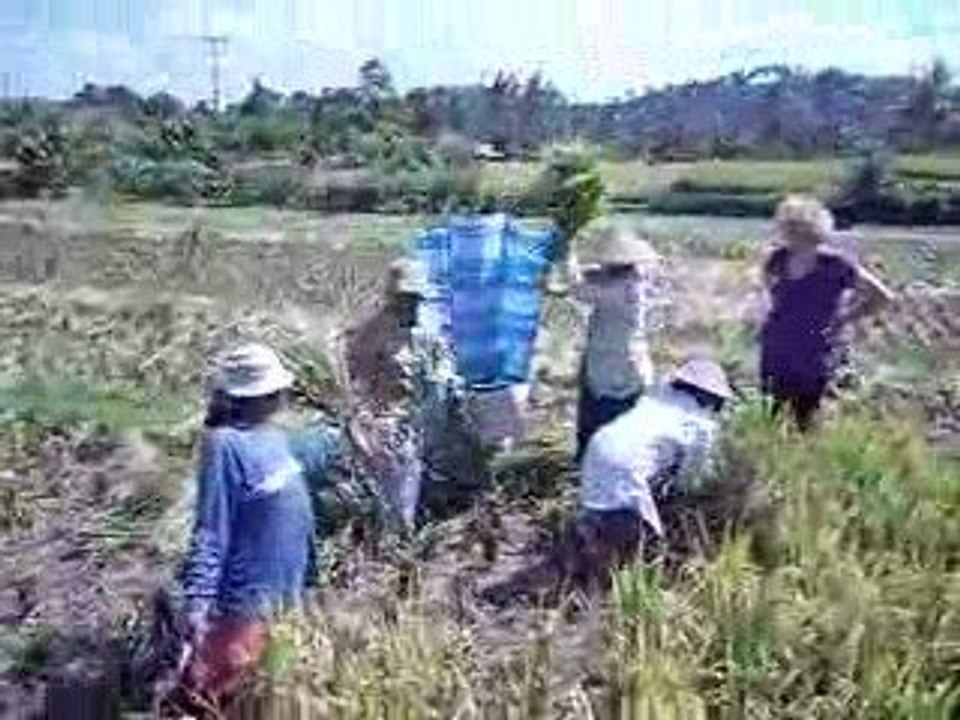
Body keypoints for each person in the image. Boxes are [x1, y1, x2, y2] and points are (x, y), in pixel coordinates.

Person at [163, 343, 338, 716]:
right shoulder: (225, 445)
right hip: (243, 611)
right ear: (256, 396)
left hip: (285, 608)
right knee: (213, 704)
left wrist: (311, 584)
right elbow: (211, 529)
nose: (282, 396)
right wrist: (197, 607)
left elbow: (300, 521)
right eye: (276, 391)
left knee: (270, 703)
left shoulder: (278, 439)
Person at [481, 358, 733, 603]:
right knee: (630, 550)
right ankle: (582, 596)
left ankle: (516, 585)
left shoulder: (657, 399)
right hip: (627, 470)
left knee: (596, 526)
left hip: (599, 449)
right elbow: (691, 481)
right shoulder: (701, 425)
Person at [344, 258, 466, 528]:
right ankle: (392, 552)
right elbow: (356, 391)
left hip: (421, 428)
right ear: (391, 296)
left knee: (416, 494)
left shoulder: (426, 329)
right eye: (404, 297)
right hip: (386, 434)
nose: (410, 303)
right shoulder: (369, 335)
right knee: (394, 510)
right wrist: (366, 437)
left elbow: (442, 363)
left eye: (415, 297)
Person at [759, 195, 894, 430]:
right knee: (771, 419)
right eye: (787, 227)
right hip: (777, 349)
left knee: (806, 419)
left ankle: (806, 464)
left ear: (812, 229)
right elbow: (773, 295)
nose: (788, 233)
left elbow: (882, 296)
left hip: (814, 351)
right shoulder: (777, 260)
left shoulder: (835, 264)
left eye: (794, 228)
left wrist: (844, 319)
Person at [570, 222, 666, 459]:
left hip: (613, 366)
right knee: (626, 424)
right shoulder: (635, 279)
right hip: (629, 362)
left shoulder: (618, 289)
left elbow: (578, 290)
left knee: (604, 424)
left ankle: (596, 467)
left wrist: (567, 251)